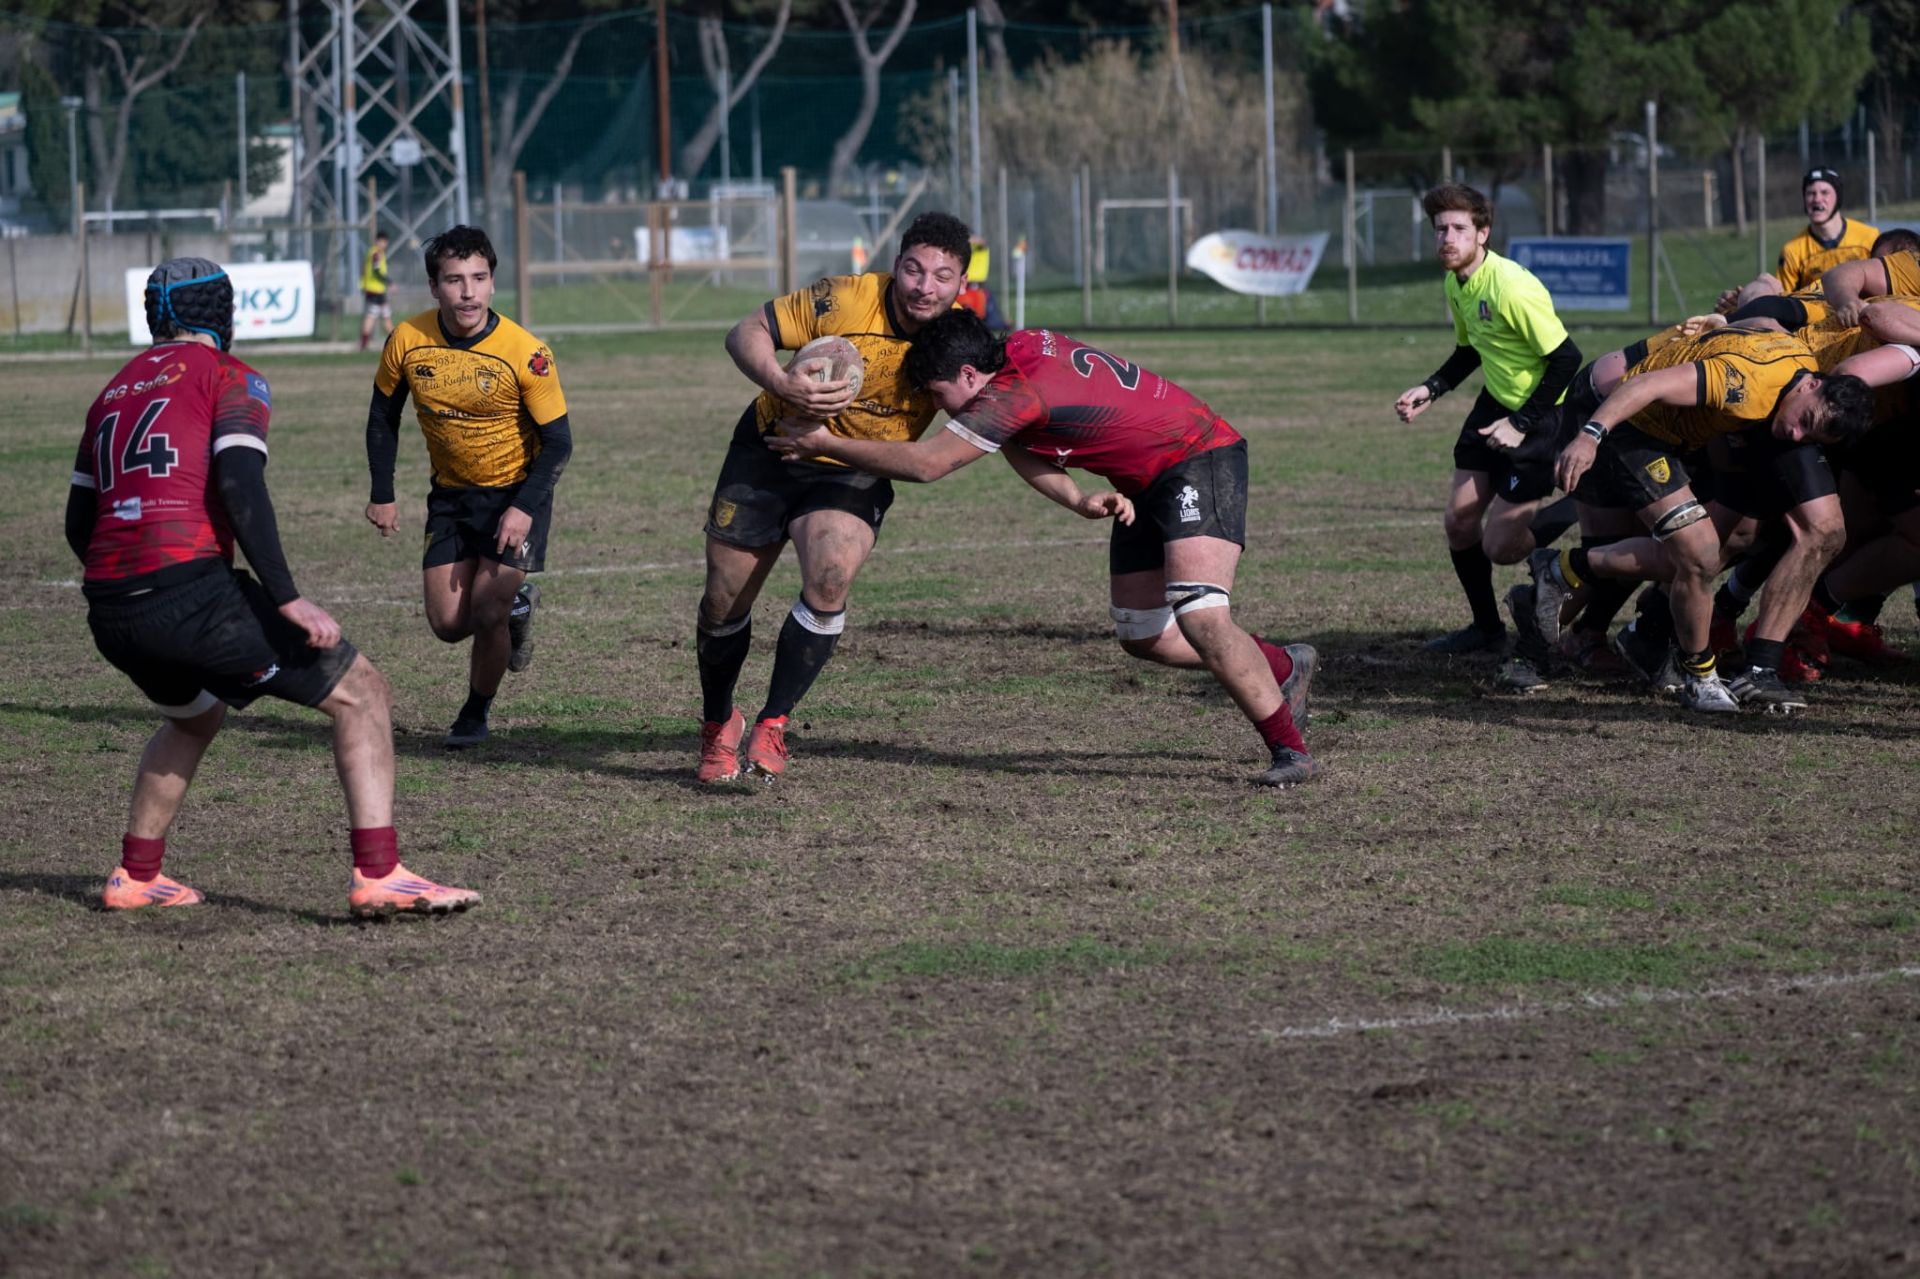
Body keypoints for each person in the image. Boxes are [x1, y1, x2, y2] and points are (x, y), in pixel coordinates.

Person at [67, 257, 479, 916]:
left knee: (195, 714)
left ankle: (138, 875)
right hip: (189, 592)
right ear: (223, 314)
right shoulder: (229, 376)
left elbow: (78, 522)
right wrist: (285, 595)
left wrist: (128, 582)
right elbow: (239, 481)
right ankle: (380, 873)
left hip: (110, 607)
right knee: (361, 691)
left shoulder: (112, 390)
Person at [767, 311, 1320, 788]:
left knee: (1202, 616)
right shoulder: (1017, 349)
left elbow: (928, 464)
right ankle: (1282, 665)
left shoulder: (1012, 395)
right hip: (1142, 482)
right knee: (1144, 635)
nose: (940, 407)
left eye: (938, 395)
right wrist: (1077, 496)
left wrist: (825, 445)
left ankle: (1289, 749)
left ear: (967, 373)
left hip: (1198, 456)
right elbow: (1017, 438)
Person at [695, 211, 972, 784]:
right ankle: (718, 721)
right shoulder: (844, 300)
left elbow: (996, 412)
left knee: (829, 578)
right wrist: (781, 381)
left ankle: (773, 721)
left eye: (942, 276)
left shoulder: (957, 338)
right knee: (723, 603)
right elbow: (744, 332)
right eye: (915, 270)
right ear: (895, 267)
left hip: (852, 468)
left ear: (961, 284)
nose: (925, 286)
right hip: (770, 448)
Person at [1527, 324, 1875, 714]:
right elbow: (1648, 384)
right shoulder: (1747, 383)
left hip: (1673, 440)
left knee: (1701, 551)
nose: (1795, 435)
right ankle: (1700, 676)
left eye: (1809, 438)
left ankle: (1563, 570)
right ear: (1812, 385)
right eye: (1804, 421)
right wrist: (1590, 436)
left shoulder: (1798, 364)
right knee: (1701, 555)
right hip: (1634, 430)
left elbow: (1763, 324)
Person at [364, 225, 573, 748]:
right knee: (448, 624)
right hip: (452, 496)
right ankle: (519, 608)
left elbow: (559, 442)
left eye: (479, 278)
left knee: (486, 609)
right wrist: (382, 492)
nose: (468, 292)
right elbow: (381, 418)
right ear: (434, 286)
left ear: (493, 283)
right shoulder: (408, 340)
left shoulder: (525, 352)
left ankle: (475, 713)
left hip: (515, 495)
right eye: (454, 280)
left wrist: (524, 507)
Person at [1393, 183, 1581, 660]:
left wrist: (1521, 423)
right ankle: (1486, 629)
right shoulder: (1455, 282)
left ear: (1483, 233)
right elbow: (1470, 348)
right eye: (1440, 230)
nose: (1446, 239)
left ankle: (1581, 503)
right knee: (1458, 521)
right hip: (1494, 405)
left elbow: (1566, 359)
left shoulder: (1510, 286)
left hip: (1541, 416)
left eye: (1458, 229)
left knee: (1501, 546)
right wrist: (1431, 389)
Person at [1714, 166, 1878, 312]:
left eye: (1824, 192)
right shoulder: (1793, 249)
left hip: (1862, 313)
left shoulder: (1869, 237)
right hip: (1815, 322)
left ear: (1838, 198)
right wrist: (1742, 303)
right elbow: (1781, 298)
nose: (1817, 199)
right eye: (1810, 193)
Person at [359, 230, 393, 352]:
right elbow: (376, 271)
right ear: (377, 241)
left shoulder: (373, 252)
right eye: (382, 241)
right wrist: (389, 282)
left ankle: (364, 343)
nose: (384, 244)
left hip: (374, 290)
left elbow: (364, 270)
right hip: (376, 290)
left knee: (378, 315)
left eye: (385, 242)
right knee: (382, 316)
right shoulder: (376, 254)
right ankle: (394, 341)